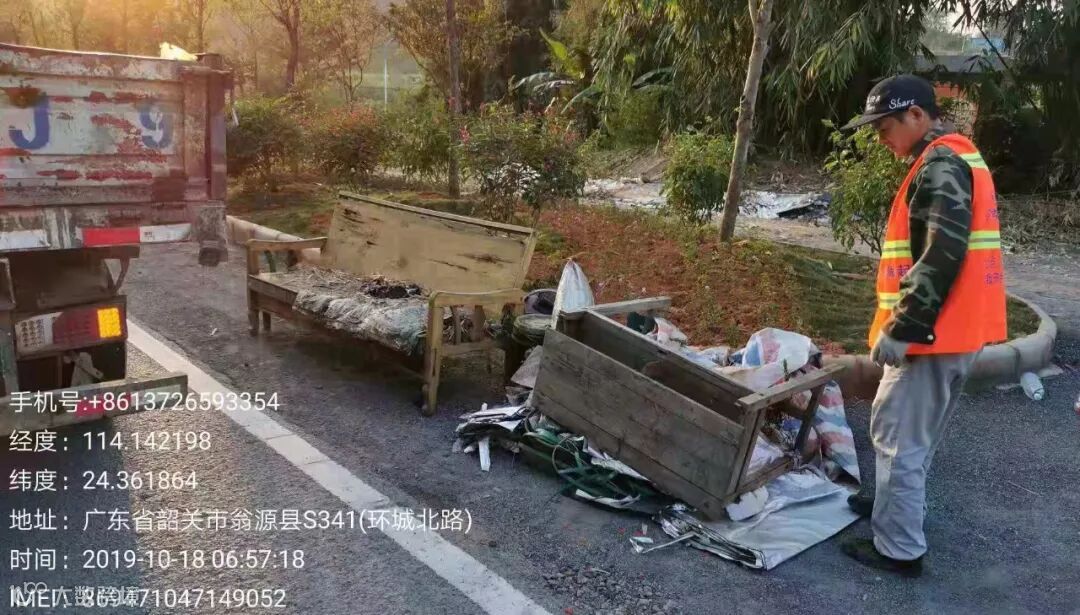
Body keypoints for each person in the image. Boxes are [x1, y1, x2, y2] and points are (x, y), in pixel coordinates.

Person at [838, 75, 1007, 577]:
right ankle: (893, 507)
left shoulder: (940, 165)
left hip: (930, 337)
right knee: (912, 438)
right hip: (955, 333)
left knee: (897, 439)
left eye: (884, 127)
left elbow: (940, 255)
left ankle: (898, 548)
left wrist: (904, 328)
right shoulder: (956, 157)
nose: (880, 139)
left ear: (916, 115)